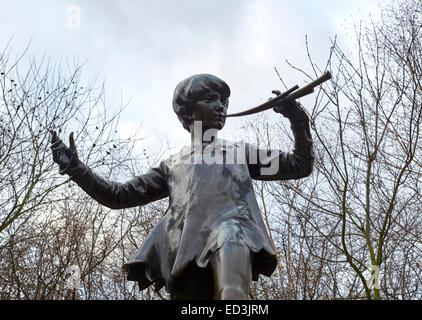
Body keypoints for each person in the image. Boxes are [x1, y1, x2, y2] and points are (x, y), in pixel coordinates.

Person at [50, 74, 314, 299]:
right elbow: (120, 196)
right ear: (187, 112)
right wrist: (77, 170)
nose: (220, 106)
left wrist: (298, 120)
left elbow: (300, 165)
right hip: (186, 244)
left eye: (223, 101)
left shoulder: (240, 154)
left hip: (234, 231)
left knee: (233, 293)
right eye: (210, 99)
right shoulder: (173, 165)